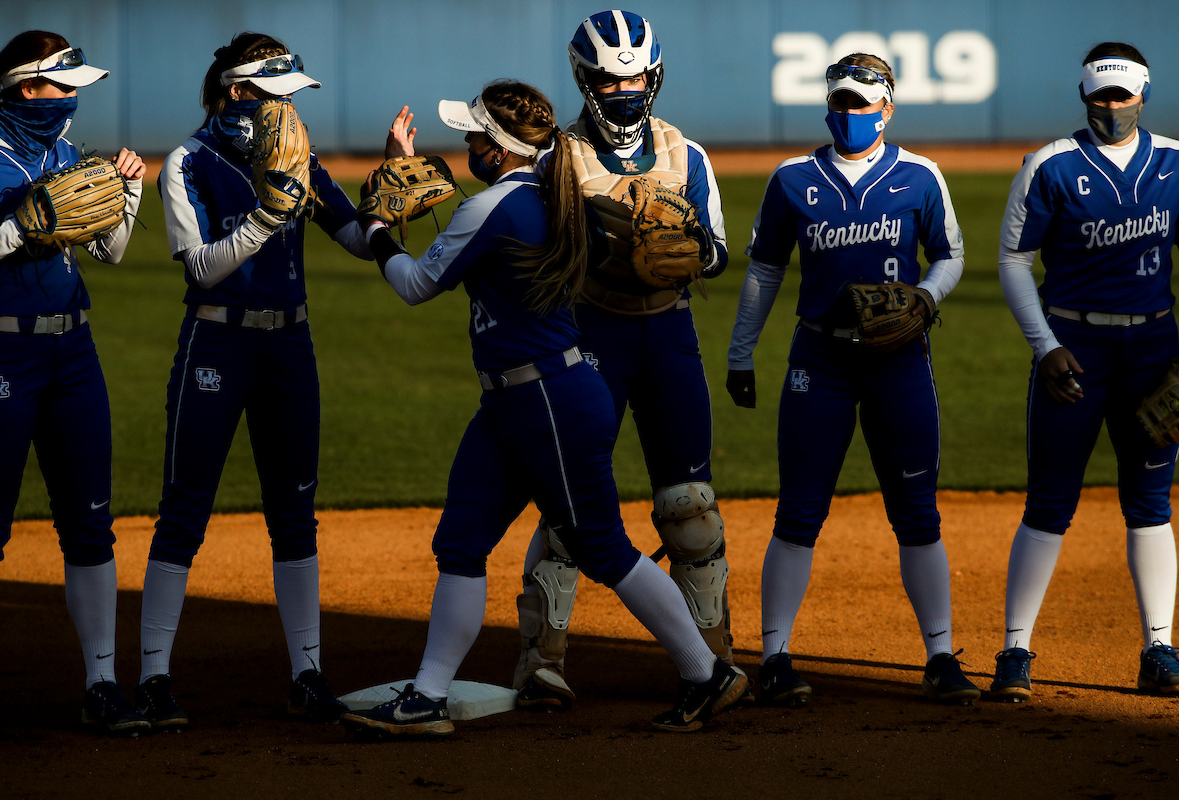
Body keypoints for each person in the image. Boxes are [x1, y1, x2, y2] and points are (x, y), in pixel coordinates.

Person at [340, 80, 746, 737]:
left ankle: (707, 674)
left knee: (604, 547)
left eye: (475, 135)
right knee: (462, 541)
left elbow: (414, 284)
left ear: (500, 151)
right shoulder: (546, 195)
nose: (466, 142)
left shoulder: (495, 208)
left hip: (549, 400)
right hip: (513, 402)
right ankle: (427, 695)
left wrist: (381, 227)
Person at [137, 32, 373, 728]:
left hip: (289, 345)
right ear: (239, 92)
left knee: (295, 514)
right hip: (218, 339)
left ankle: (308, 673)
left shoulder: (294, 155)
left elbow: (355, 236)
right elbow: (201, 267)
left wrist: (390, 203)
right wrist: (270, 217)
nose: (289, 110)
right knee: (185, 508)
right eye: (277, 95)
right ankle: (153, 677)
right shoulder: (188, 162)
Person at [726, 54, 978, 705]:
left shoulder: (920, 176)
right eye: (840, 101)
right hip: (821, 361)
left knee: (917, 513)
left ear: (887, 108)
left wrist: (925, 299)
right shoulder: (792, 179)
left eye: (863, 103)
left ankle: (941, 657)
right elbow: (764, 270)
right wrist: (740, 353)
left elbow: (950, 256)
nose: (850, 113)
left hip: (899, 358)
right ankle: (776, 658)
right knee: (799, 511)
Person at [510, 9, 737, 712]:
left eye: (635, 74)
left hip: (668, 335)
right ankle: (540, 659)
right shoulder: (558, 159)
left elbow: (720, 252)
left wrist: (691, 251)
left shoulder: (686, 154)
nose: (625, 89)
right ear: (585, 80)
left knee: (691, 508)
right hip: (589, 337)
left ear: (655, 73)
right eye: (610, 79)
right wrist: (607, 251)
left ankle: (711, 658)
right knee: (568, 507)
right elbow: (531, 254)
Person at [992, 42, 1179, 701]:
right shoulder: (1050, 166)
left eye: (1123, 96)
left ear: (1143, 94)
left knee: (1151, 503)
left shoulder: (1175, 163)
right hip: (1073, 347)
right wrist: (1044, 346)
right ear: (1083, 94)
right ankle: (1015, 650)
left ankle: (1160, 646)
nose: (1112, 107)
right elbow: (1014, 261)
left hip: (1154, 352)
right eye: (1101, 95)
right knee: (1049, 503)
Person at [0, 31, 149, 734]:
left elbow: (108, 252)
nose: (75, 97)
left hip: (73, 356)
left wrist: (129, 192)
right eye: (63, 85)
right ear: (27, 88)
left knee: (90, 527)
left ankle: (103, 684)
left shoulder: (64, 155)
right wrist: (20, 226)